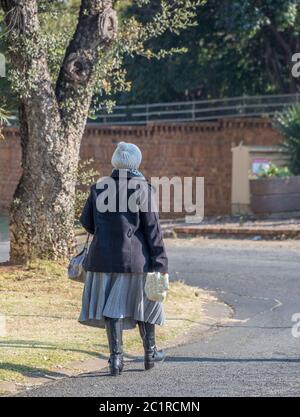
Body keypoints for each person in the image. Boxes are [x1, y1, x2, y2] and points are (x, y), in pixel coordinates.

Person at [78, 141, 168, 376]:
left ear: (115, 163)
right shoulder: (143, 188)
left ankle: (115, 360)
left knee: (112, 308)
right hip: (135, 260)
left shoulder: (98, 188)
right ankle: (150, 352)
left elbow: (87, 223)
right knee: (145, 304)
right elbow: (153, 231)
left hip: (102, 259)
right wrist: (161, 262)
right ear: (136, 163)